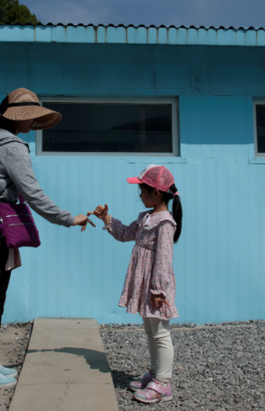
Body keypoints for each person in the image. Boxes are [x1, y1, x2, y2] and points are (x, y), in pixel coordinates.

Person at [0, 88, 94, 392]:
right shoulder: (12, 147)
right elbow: (33, 193)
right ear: (16, 117)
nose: (33, 121)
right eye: (29, 115)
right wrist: (69, 218)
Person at [89, 164, 183, 404]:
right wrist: (107, 218)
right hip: (146, 286)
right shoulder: (147, 218)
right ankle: (155, 374)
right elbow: (124, 234)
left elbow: (163, 259)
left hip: (155, 288)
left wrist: (159, 290)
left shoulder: (164, 223)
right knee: (151, 331)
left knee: (161, 332)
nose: (139, 195)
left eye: (142, 190)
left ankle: (163, 383)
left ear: (156, 193)